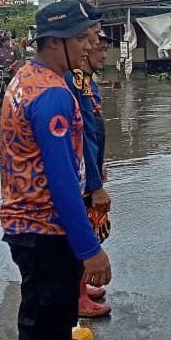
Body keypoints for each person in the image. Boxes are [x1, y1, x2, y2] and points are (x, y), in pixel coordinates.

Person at [0, 0, 112, 340]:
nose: (89, 47)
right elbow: (64, 182)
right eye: (81, 39)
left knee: (57, 315)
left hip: (34, 222)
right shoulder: (51, 97)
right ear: (54, 42)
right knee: (40, 329)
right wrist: (90, 249)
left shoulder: (31, 78)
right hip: (43, 227)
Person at [66, 16, 113, 319]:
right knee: (83, 232)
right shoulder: (74, 81)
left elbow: (95, 133)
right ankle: (78, 295)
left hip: (89, 169)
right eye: (98, 47)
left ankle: (83, 288)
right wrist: (94, 184)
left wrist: (99, 166)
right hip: (81, 176)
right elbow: (82, 134)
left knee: (91, 229)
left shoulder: (88, 81)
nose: (101, 53)